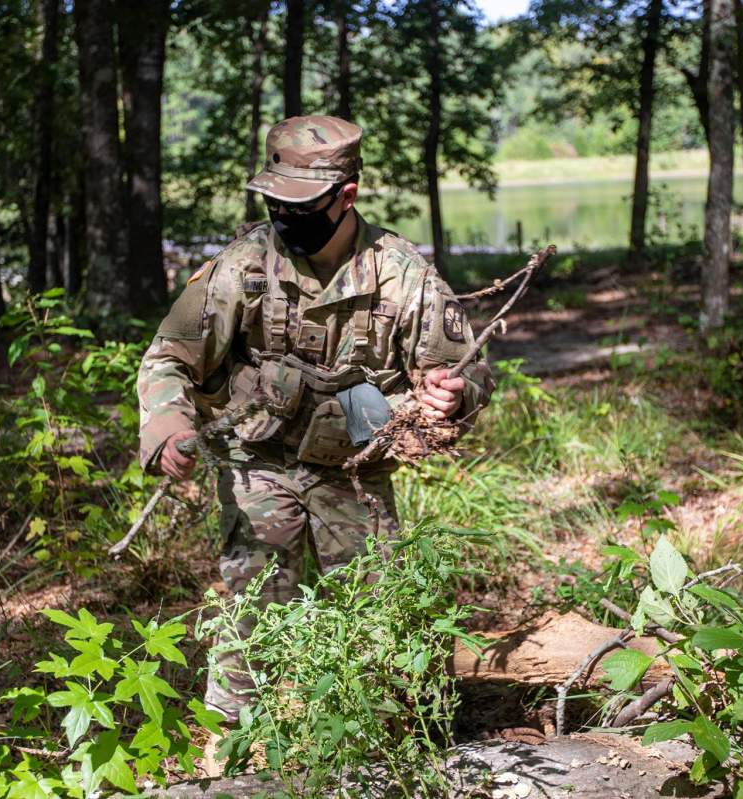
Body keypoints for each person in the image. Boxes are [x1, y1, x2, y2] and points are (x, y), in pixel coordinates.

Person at [135, 115, 494, 774]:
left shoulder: (399, 271)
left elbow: (466, 364)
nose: (283, 215)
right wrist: (167, 427)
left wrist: (456, 392)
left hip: (355, 465)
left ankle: (383, 759)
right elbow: (167, 359)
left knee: (382, 618)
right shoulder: (244, 264)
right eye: (274, 202)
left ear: (346, 197)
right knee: (252, 610)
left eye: (299, 205)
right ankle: (224, 759)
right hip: (259, 459)